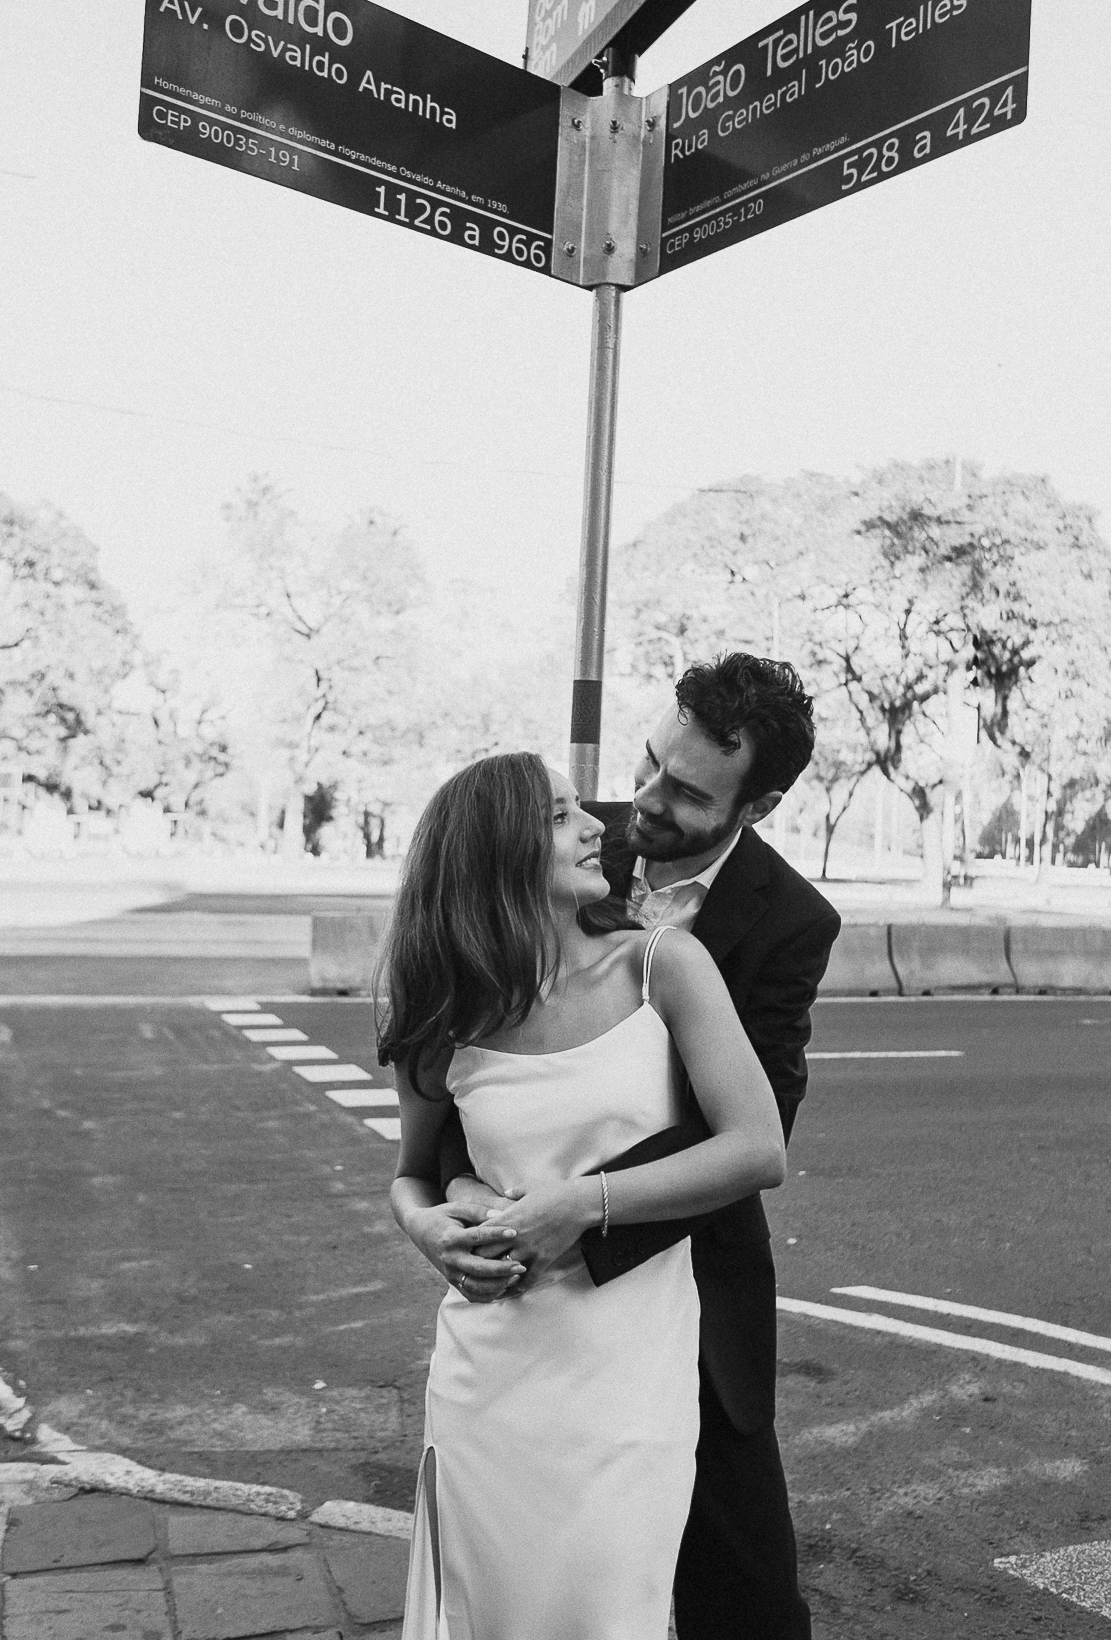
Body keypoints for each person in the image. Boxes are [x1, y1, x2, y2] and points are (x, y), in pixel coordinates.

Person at [435, 653, 841, 1640]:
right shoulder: (567, 840)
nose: (645, 801)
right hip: (535, 1293)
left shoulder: (791, 920)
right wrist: (466, 1205)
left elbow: (756, 1125)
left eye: (687, 792)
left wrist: (580, 1210)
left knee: (748, 1598)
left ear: (760, 805)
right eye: (650, 762)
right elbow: (472, 1069)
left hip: (694, 1273)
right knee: (543, 1569)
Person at [382, 750, 786, 1640]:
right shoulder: (447, 1015)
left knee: (611, 1612)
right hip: (489, 1379)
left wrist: (582, 1203)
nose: (599, 824)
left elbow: (757, 1147)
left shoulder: (662, 966)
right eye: (561, 815)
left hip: (628, 1377)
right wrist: (424, 1227)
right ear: (497, 854)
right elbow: (414, 1171)